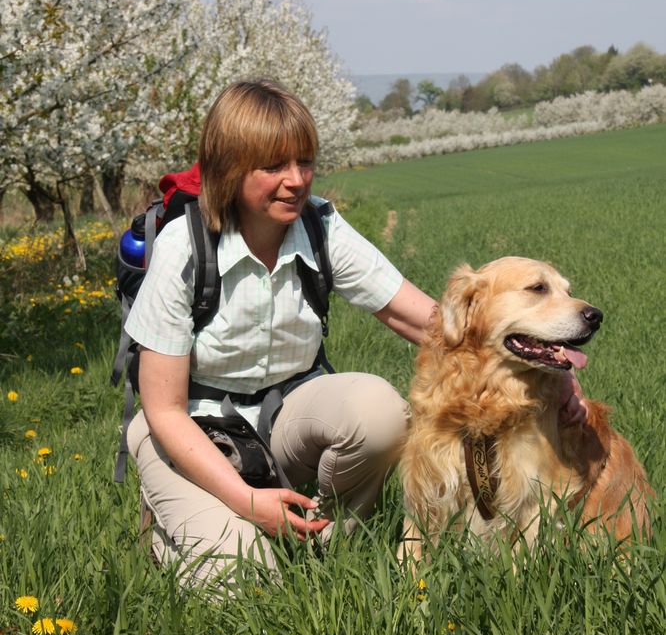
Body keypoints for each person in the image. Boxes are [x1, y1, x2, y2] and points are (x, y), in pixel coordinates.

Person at [125, 79, 587, 585]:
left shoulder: (319, 227)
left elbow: (435, 322)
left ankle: (327, 544)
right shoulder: (183, 247)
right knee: (245, 583)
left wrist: (549, 365)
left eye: (305, 162)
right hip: (192, 429)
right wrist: (246, 502)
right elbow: (164, 410)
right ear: (229, 168)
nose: (296, 180)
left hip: (282, 420)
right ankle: (175, 527)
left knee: (379, 410)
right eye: (274, 166)